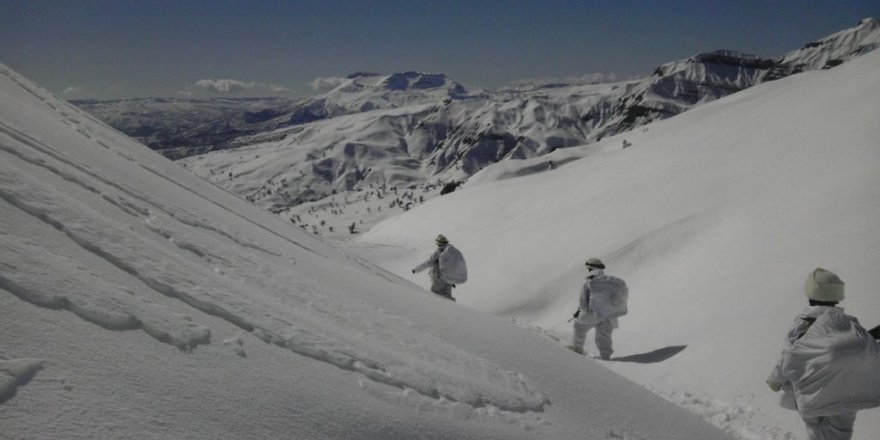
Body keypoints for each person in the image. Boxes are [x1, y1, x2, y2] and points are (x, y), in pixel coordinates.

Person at [767, 268, 880, 440]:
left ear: (810, 294)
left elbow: (789, 357)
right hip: (846, 395)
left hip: (812, 394)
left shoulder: (803, 324)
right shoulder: (849, 323)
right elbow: (865, 347)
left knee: (815, 432)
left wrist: (775, 380)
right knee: (840, 435)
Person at [567, 258, 627, 360]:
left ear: (590, 267)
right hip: (608, 316)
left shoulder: (589, 282)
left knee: (579, 329)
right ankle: (606, 359)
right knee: (604, 339)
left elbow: (583, 302)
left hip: (591, 315)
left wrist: (580, 312)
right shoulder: (610, 282)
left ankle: (576, 352)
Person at [412, 234, 467, 301]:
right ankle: (450, 309)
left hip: (438, 276)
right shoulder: (452, 251)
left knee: (435, 295)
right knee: (447, 297)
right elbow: (454, 266)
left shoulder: (438, 252)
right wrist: (452, 280)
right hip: (449, 279)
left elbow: (428, 263)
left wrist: (416, 269)